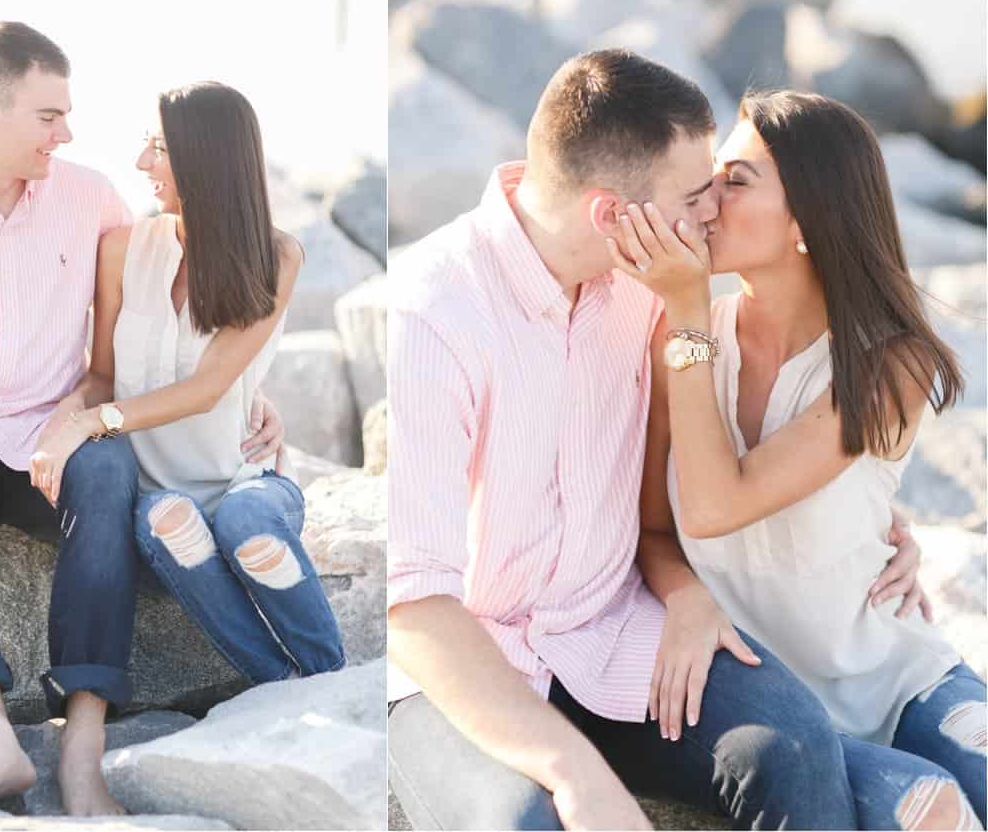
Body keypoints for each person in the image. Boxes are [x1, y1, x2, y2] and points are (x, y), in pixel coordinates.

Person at [386, 49, 930, 830]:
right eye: (696, 195)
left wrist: (876, 523)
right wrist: (571, 769)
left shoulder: (658, 291)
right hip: (467, 659)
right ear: (612, 214)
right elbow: (415, 601)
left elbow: (741, 454)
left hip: (614, 627)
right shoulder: (435, 312)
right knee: (525, 822)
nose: (712, 213)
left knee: (792, 748)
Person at [0, 23, 283, 816]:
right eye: (49, 116)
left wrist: (246, 386)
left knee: (110, 470)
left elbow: (161, 308)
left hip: (58, 432)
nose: (69, 133)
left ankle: (83, 746)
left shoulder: (89, 199)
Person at [611, 89, 986, 830]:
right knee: (931, 811)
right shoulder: (681, 343)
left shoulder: (888, 366)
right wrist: (686, 594)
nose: (707, 201)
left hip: (894, 674)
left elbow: (726, 501)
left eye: (736, 181)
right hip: (776, 709)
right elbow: (667, 528)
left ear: (810, 219)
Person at [29, 81, 346, 687]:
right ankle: (280, 683)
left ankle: (331, 678)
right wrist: (59, 429)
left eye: (159, 148)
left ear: (206, 158)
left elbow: (208, 387)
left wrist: (96, 422)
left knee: (245, 527)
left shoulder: (277, 258)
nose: (142, 163)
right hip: (156, 495)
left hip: (243, 480)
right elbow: (100, 376)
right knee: (169, 522)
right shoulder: (122, 251)